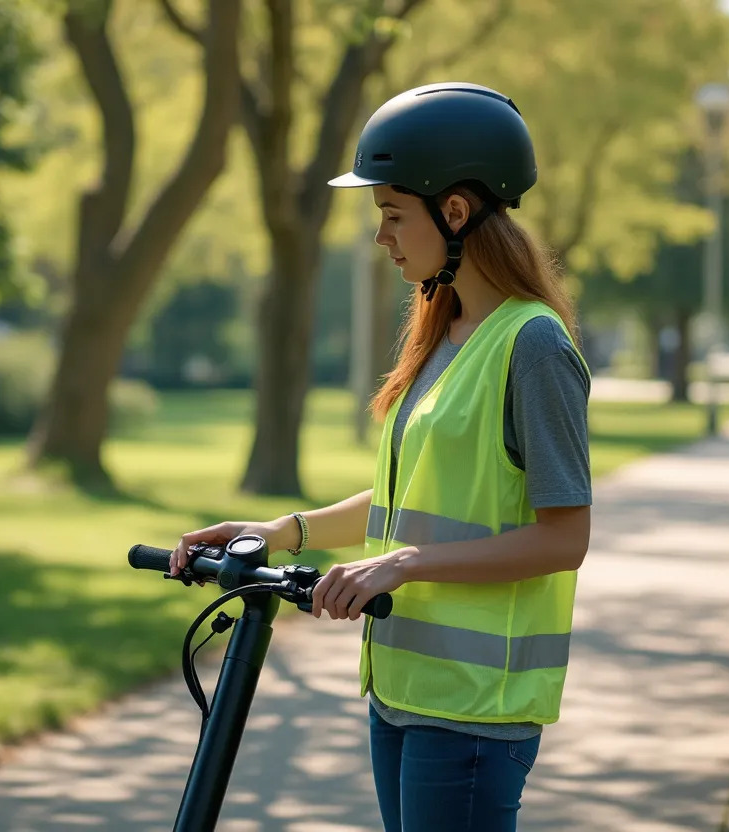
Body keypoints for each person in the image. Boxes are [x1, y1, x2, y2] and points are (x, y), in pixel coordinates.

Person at [168, 82, 592, 832]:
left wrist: (401, 564)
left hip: (472, 708)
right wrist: (277, 531)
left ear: (454, 212)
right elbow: (408, 498)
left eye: (394, 214)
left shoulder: (533, 346)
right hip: (402, 690)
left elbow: (565, 538)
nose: (381, 236)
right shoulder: (446, 331)